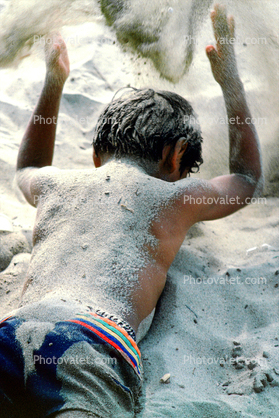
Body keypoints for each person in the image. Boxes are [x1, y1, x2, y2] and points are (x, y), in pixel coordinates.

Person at [0, 4, 263, 418]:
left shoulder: (55, 183)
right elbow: (247, 178)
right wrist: (230, 81)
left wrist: (54, 82)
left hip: (15, 328)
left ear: (94, 154)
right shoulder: (172, 198)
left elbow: (26, 168)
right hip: (89, 339)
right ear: (175, 158)